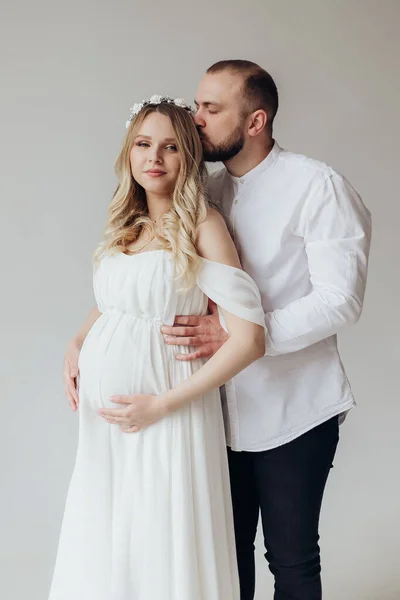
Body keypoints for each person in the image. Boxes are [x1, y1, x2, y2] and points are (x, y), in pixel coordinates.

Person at [95, 62, 372, 600]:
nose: (194, 120)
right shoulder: (205, 192)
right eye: (197, 106)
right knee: (223, 553)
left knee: (291, 558)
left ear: (255, 121)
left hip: (293, 408)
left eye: (211, 110)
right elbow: (149, 270)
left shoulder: (318, 186)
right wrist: (86, 339)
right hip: (213, 412)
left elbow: (341, 301)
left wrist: (238, 333)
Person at [53, 95, 267, 600]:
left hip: (169, 410)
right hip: (108, 423)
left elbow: (250, 338)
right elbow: (116, 302)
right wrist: (79, 340)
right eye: (144, 144)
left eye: (171, 147)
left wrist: (161, 405)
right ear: (129, 152)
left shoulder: (202, 224)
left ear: (188, 157)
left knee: (161, 531)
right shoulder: (126, 226)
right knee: (111, 532)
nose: (154, 157)